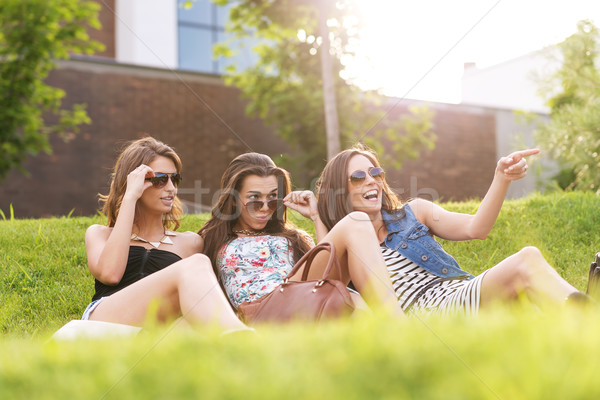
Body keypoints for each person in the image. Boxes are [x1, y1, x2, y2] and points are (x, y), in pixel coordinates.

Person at [286, 145, 594, 316]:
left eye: (375, 172)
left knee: (536, 309)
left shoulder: (415, 211)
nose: (371, 180)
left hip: (458, 293)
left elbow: (477, 227)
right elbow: (323, 275)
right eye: (357, 176)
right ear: (341, 188)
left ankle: (585, 322)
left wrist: (501, 177)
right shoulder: (353, 244)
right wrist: (317, 214)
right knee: (527, 260)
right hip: (425, 315)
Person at [198, 152, 404, 318]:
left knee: (354, 299)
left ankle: (393, 330)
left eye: (272, 199)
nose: (264, 208)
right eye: (254, 200)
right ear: (233, 200)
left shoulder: (293, 238)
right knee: (356, 222)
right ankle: (399, 327)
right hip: (261, 312)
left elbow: (332, 272)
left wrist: (315, 216)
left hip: (299, 300)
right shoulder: (212, 238)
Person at [82, 136, 247, 332]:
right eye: (160, 180)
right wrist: (130, 197)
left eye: (174, 179)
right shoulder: (100, 234)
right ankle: (238, 336)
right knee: (198, 263)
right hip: (105, 321)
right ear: (134, 182)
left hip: (155, 331)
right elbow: (110, 274)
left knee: (195, 325)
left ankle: (237, 339)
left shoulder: (190, 242)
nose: (171, 188)